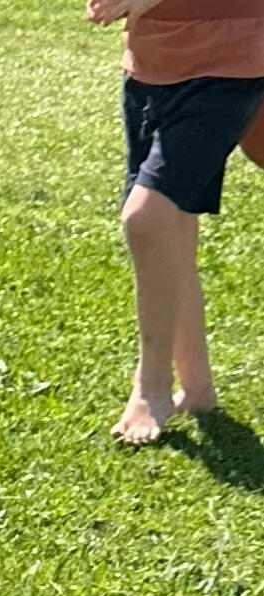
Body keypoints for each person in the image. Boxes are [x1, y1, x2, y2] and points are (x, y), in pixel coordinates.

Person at [88, 0, 264, 442]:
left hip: (234, 59)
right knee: (169, 225)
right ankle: (197, 386)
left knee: (147, 217)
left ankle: (151, 387)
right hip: (153, 63)